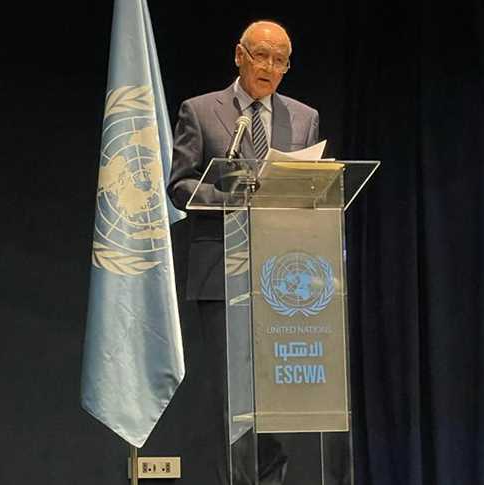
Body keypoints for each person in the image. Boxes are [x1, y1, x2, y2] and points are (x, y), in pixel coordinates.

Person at [167, 20, 320, 485]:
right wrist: (230, 198)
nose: (270, 67)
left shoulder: (304, 118)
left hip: (286, 281)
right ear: (240, 55)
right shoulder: (200, 111)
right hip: (222, 274)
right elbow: (179, 185)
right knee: (236, 404)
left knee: (277, 403)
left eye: (280, 60)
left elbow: (311, 190)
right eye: (261, 56)